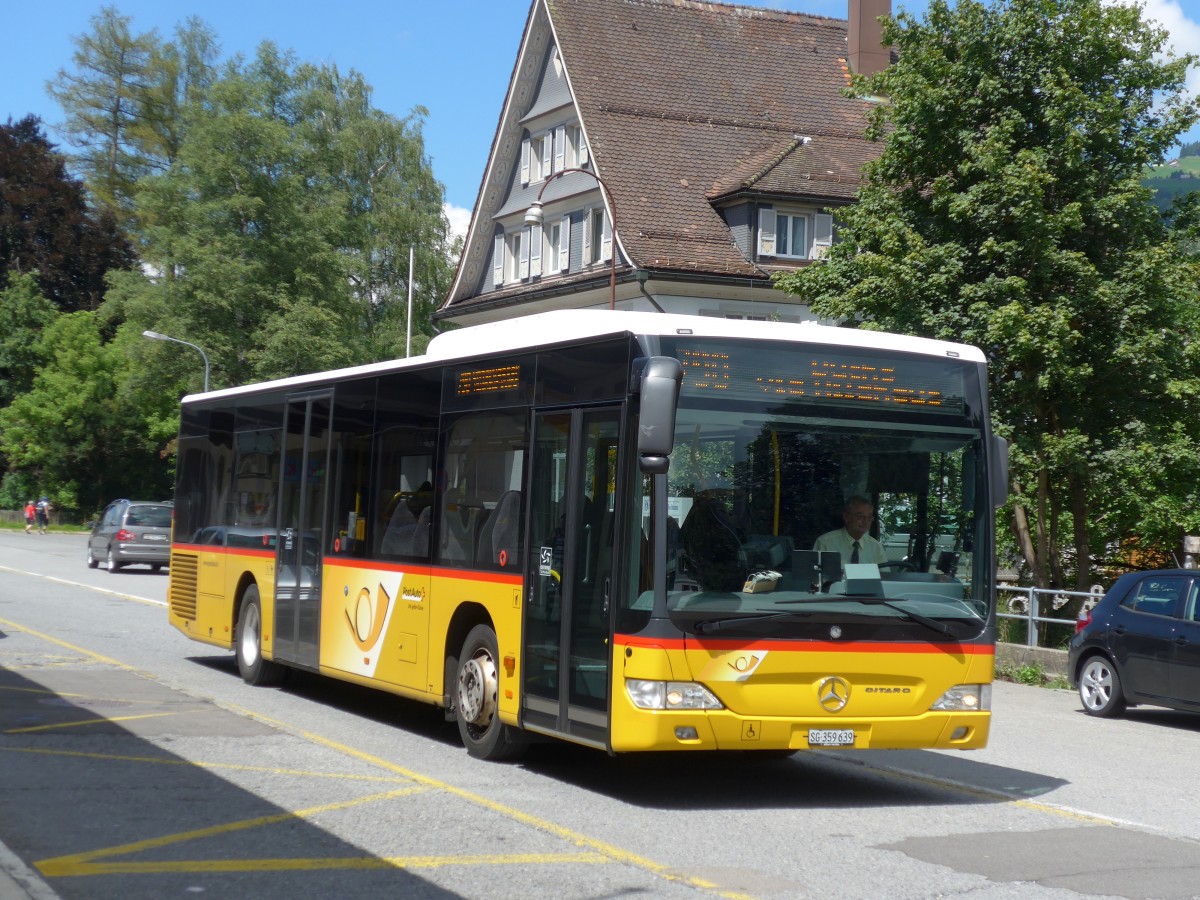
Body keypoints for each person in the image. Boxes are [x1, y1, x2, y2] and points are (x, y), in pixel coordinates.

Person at [813, 495, 887, 567]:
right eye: (860, 516)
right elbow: (815, 575)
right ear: (846, 517)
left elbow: (885, 577)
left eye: (869, 517)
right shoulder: (825, 542)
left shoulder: (876, 547)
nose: (865, 521)